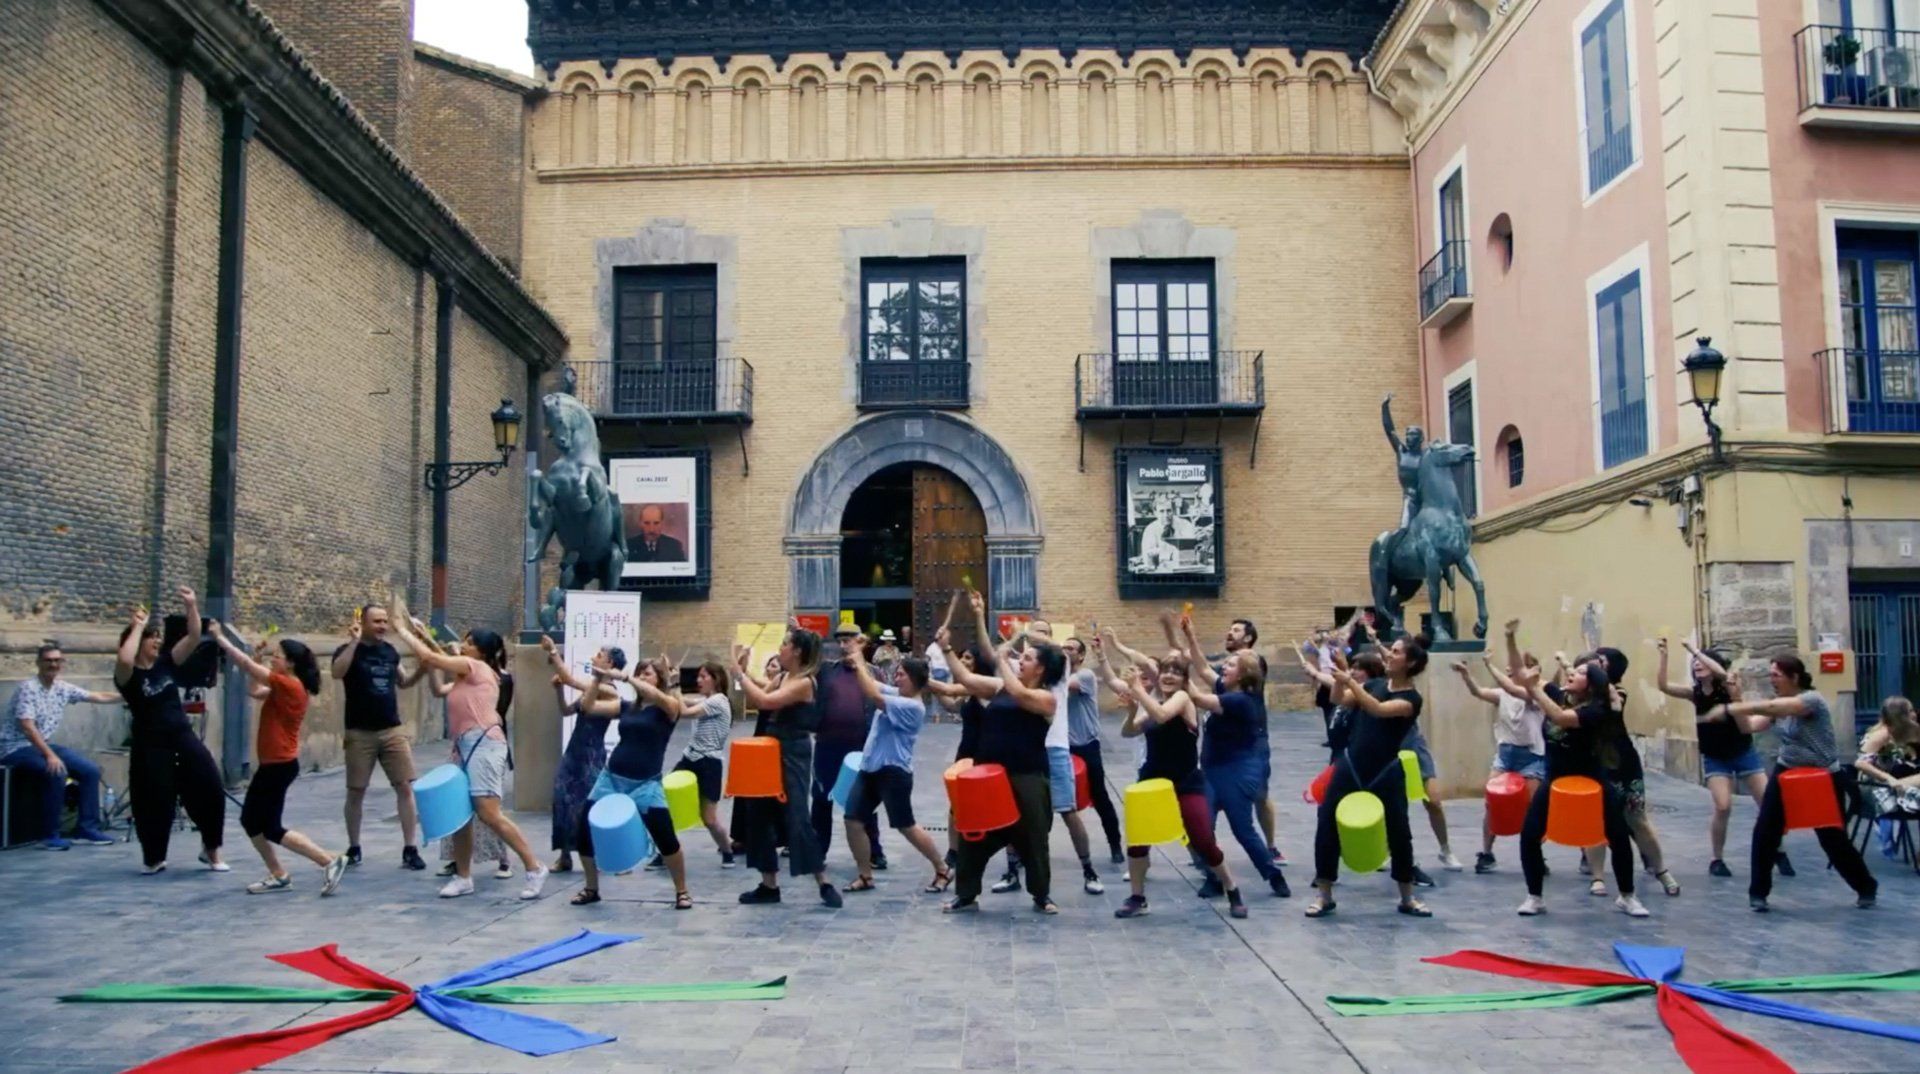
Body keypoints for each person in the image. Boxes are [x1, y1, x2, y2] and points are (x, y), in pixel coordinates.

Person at [389, 618, 547, 900]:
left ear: (482, 651)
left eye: (470, 643)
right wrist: (425, 639)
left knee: (488, 813)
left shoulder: (477, 667)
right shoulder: (465, 676)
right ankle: (463, 877)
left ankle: (534, 867)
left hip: (484, 744)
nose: (463, 645)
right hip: (463, 745)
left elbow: (431, 657)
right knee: (461, 814)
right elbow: (438, 685)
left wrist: (402, 630)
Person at [1710, 653, 1877, 911]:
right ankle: (1758, 894)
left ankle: (1865, 886)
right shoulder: (1779, 703)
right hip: (1787, 771)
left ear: (1794, 677)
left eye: (1776, 675)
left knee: (1832, 838)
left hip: (1822, 776)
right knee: (1766, 830)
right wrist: (1735, 698)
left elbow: (1778, 709)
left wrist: (1734, 708)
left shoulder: (1811, 700)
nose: (1772, 680)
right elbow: (1749, 727)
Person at [1097, 638, 1246, 919]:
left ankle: (1231, 888)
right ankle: (1138, 897)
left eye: (1176, 672)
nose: (1168, 675)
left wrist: (1138, 691)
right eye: (1165, 670)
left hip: (1185, 781)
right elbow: (1129, 732)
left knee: (1203, 840)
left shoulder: (1182, 699)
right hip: (1152, 780)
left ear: (1183, 679)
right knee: (1138, 841)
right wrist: (1131, 709)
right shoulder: (1151, 700)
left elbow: (1163, 716)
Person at [206, 624, 347, 895]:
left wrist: (221, 639)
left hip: (279, 765)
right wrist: (259, 660)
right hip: (276, 764)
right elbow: (254, 690)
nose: (274, 659)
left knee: (269, 826)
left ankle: (328, 861)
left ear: (291, 663)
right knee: (252, 821)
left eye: (278, 656)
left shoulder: (289, 684)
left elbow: (246, 665)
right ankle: (279, 873)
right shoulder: (284, 686)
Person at [942, 619, 1065, 914]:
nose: (1021, 660)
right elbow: (967, 680)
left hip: (1027, 777)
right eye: (1021, 657)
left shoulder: (1047, 699)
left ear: (1041, 669)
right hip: (988, 776)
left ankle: (1041, 895)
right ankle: (966, 893)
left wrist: (1001, 660)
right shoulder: (1000, 686)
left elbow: (1021, 695)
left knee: (1033, 839)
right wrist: (946, 648)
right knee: (974, 835)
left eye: (1028, 658)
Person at [1306, 637, 1432, 918]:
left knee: (1399, 832)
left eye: (1397, 652)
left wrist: (1350, 682)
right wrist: (1341, 676)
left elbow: (1377, 709)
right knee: (1327, 822)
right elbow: (1340, 699)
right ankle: (1324, 894)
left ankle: (1407, 897)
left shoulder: (1411, 699)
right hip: (1351, 765)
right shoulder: (1374, 685)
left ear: (1410, 663)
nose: (1390, 654)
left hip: (1386, 771)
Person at [1516, 657, 1647, 918]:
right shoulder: (1559, 694)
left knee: (1618, 835)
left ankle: (1627, 896)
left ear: (1592, 684)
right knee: (1530, 834)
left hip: (1593, 778)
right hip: (1555, 778)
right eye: (1573, 669)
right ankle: (1534, 897)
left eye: (1581, 672)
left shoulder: (1597, 710)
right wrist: (1509, 640)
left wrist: (1534, 690)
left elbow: (1561, 718)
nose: (1572, 672)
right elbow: (1520, 676)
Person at [114, 591, 227, 874]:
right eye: (152, 638)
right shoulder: (128, 677)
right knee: (154, 799)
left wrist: (191, 605)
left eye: (156, 637)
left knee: (209, 785)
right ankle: (154, 858)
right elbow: (125, 660)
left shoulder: (165, 663)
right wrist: (139, 625)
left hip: (181, 736)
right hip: (150, 745)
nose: (158, 641)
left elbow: (192, 635)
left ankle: (211, 850)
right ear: (138, 642)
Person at [567, 657, 693, 909]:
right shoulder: (626, 707)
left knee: (664, 835)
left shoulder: (668, 707)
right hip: (611, 778)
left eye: (647, 673)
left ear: (659, 678)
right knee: (583, 829)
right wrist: (598, 679)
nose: (642, 677)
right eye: (639, 673)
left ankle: (682, 891)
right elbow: (589, 707)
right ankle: (591, 888)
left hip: (646, 783)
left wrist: (625, 677)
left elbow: (654, 695)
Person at [731, 627, 843, 908]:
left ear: (797, 652)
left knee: (796, 814)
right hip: (769, 748)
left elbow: (766, 701)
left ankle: (823, 881)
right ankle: (768, 884)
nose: (780, 648)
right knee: (759, 813)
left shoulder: (804, 682)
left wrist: (739, 674)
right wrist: (742, 671)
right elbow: (759, 696)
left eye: (784, 644)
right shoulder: (782, 677)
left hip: (793, 751)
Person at [1179, 617, 1290, 898]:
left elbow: (1198, 697)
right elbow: (1203, 668)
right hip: (1212, 769)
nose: (1223, 668)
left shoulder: (1241, 700)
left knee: (1243, 829)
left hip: (1237, 771)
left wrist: (1176, 671)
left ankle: (1272, 873)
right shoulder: (1228, 689)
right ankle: (1214, 877)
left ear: (1241, 675)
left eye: (1229, 666)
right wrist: (1190, 637)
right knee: (1202, 828)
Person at [839, 645, 952, 893]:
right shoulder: (899, 695)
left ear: (915, 680)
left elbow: (875, 696)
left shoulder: (912, 707)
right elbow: (873, 685)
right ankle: (865, 875)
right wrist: (858, 660)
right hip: (870, 769)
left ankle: (942, 867)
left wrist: (858, 661)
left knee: (905, 825)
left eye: (902, 675)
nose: (896, 678)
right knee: (852, 820)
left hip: (894, 773)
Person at [1657, 638, 1770, 879]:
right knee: (1723, 805)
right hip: (1715, 756)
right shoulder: (1695, 694)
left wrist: (1694, 650)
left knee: (1768, 804)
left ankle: (1777, 850)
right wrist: (1664, 656)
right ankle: (1717, 859)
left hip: (1743, 752)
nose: (1697, 665)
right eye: (1694, 663)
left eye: (1701, 662)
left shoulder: (1729, 687)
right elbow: (1664, 686)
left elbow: (1722, 673)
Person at [329, 604, 426, 871]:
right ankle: (354, 846)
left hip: (391, 729)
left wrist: (423, 669)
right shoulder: (350, 650)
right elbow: (337, 672)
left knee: (405, 786)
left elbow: (403, 682)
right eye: (377, 621)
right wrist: (353, 642)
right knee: (356, 790)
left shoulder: (390, 652)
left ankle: (410, 848)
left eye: (385, 621)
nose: (383, 626)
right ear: (364, 623)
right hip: (360, 731)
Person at [1579, 646, 1680, 898]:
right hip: (1595, 763)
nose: (1594, 663)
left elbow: (1609, 701)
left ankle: (1661, 870)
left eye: (1600, 661)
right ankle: (1598, 876)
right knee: (1595, 821)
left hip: (1623, 764)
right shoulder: (1581, 694)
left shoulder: (1617, 692)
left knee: (1637, 819)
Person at [2, 644, 117, 849]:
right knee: (57, 771)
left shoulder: (62, 688)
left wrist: (132, 695)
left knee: (90, 770)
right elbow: (27, 727)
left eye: (57, 660)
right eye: (48, 660)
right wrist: (50, 756)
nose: (53, 664)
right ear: (38, 663)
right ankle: (49, 834)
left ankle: (87, 828)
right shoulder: (28, 689)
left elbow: (97, 696)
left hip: (41, 745)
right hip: (14, 747)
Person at [1468, 629, 1547, 874]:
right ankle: (1487, 853)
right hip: (1506, 755)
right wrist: (1466, 676)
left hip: (1531, 757)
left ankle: (1536, 856)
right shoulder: (1502, 694)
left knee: (1532, 808)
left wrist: (1490, 666)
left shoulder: (1534, 695)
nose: (1510, 669)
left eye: (1515, 666)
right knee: (1492, 802)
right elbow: (1478, 692)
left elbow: (1514, 689)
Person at [541, 636, 618, 874]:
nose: (595, 657)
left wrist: (553, 651)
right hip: (574, 751)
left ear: (610, 664)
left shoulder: (608, 690)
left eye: (600, 656)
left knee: (587, 804)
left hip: (591, 756)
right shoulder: (592, 690)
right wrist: (558, 691)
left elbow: (569, 678)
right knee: (562, 798)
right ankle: (564, 855)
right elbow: (566, 711)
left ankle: (596, 852)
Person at [812, 625, 885, 869]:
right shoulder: (827, 671)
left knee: (865, 799)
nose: (844, 646)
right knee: (822, 798)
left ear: (860, 641)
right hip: (828, 745)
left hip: (861, 746)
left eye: (849, 640)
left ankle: (874, 852)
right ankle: (818, 851)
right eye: (840, 641)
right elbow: (805, 663)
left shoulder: (874, 673)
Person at [1063, 637, 1124, 865]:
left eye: (1071, 648)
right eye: (1063, 648)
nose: (1066, 651)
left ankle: (1115, 844)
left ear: (1080, 656)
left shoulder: (1085, 676)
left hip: (1087, 746)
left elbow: (1067, 686)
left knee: (1099, 796)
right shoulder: (1054, 677)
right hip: (1062, 748)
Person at [671, 660, 736, 866]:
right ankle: (664, 851)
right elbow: (682, 701)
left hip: (709, 762)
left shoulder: (719, 701)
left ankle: (727, 851)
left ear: (716, 679)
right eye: (698, 676)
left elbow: (684, 712)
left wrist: (675, 686)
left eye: (704, 676)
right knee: (666, 804)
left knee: (708, 819)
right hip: (689, 758)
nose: (699, 680)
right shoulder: (705, 699)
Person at [1855, 697, 1920, 860]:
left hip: (1903, 783)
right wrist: (1889, 779)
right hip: (1877, 786)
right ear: (1901, 715)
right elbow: (1861, 763)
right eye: (1911, 710)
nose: (1915, 713)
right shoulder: (1882, 734)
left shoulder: (1912, 732)